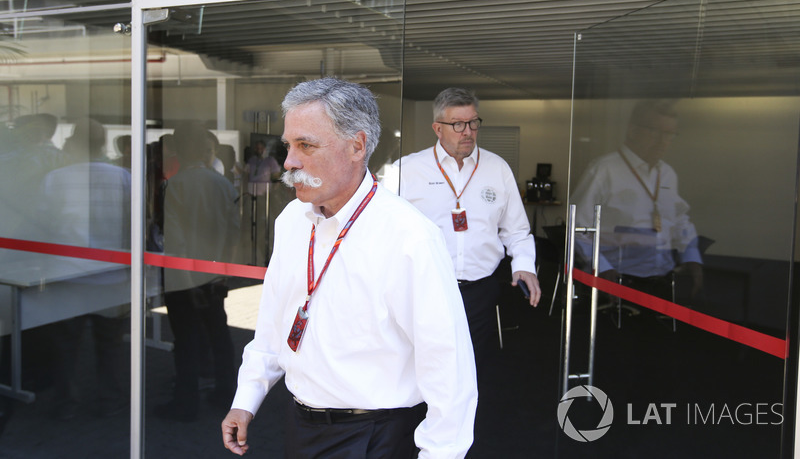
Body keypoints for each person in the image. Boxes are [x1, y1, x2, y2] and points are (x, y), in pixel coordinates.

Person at [221, 78, 477, 458]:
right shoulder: (292, 220)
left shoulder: (409, 237)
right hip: (299, 424)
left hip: (375, 436)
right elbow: (274, 322)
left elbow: (447, 366)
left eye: (306, 145)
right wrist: (247, 397)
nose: (289, 161)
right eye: (289, 145)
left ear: (357, 146)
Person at [383, 87, 541, 377]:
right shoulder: (407, 170)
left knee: (468, 371)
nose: (467, 131)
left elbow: (517, 230)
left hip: (479, 290)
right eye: (457, 124)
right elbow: (381, 228)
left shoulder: (497, 169)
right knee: (419, 369)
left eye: (473, 123)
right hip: (423, 289)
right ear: (437, 129)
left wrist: (524, 265)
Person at [35, 117, 131, 419]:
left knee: (66, 346)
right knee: (111, 345)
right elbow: (133, 225)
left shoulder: (55, 178)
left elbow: (44, 227)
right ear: (103, 144)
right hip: (113, 277)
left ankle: (66, 403)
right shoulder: (123, 177)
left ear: (74, 142)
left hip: (68, 275)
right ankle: (110, 399)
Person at [570, 100, 703, 300]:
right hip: (618, 282)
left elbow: (679, 219)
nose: (662, 141)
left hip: (662, 280)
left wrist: (692, 258)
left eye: (669, 134)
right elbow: (578, 227)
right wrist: (602, 268)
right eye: (654, 131)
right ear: (632, 131)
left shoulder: (667, 174)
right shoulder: (604, 170)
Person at [156, 121, 241, 421]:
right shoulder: (224, 184)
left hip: (183, 277)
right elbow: (233, 234)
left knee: (186, 340)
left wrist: (189, 282)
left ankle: (186, 401)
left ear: (179, 149)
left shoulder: (174, 185)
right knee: (218, 333)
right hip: (216, 273)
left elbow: (175, 240)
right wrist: (223, 273)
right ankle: (226, 392)